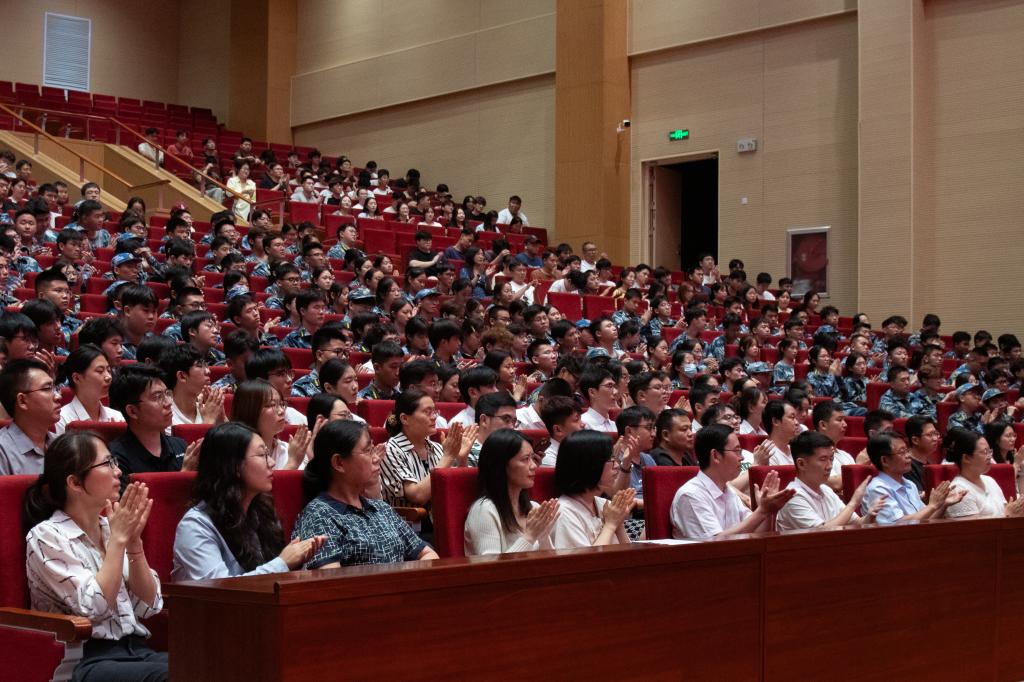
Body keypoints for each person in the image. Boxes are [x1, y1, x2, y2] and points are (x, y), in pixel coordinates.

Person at [24, 431, 168, 681]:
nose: (118, 471)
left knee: (212, 663)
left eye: (115, 462)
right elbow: (94, 607)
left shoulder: (111, 527)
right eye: (107, 463)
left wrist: (134, 545)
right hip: (84, 659)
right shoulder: (46, 537)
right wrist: (119, 541)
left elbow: (149, 605)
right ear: (75, 483)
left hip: (136, 649)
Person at [172, 422, 325, 581]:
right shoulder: (196, 525)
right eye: (262, 455)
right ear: (234, 465)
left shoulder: (260, 511)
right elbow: (217, 587)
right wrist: (283, 563)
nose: (272, 463)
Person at [292, 420, 440, 567]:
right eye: (368, 451)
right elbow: (329, 577)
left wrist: (405, 578)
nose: (376, 459)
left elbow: (427, 554)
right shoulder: (319, 515)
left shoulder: (381, 508)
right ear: (339, 463)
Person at [671, 424, 795, 539]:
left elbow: (756, 532)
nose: (742, 458)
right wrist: (762, 511)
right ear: (715, 456)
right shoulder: (691, 495)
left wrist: (768, 511)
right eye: (737, 451)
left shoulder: (728, 491)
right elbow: (713, 544)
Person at [379, 389, 475, 532]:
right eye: (427, 412)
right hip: (408, 530)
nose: (434, 417)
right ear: (405, 419)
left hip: (442, 523)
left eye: (434, 412)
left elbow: (457, 491)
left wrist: (462, 459)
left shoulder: (436, 448)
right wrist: (448, 457)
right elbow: (417, 496)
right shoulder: (390, 449)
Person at [464, 429, 559, 556]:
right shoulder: (484, 510)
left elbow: (551, 563)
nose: (534, 466)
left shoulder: (533, 508)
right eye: (525, 459)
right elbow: (490, 566)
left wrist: (543, 536)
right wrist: (529, 536)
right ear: (502, 465)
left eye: (532, 458)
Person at [775, 431, 883, 531]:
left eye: (831, 459)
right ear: (801, 464)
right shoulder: (793, 496)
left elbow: (857, 523)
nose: (830, 466)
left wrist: (870, 515)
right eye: (823, 459)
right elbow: (822, 533)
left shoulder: (826, 490)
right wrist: (853, 503)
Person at [108, 365, 198, 476]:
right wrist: (185, 474)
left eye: (167, 394)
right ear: (132, 411)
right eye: (158, 397)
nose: (169, 403)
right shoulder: (116, 457)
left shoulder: (180, 445)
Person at [861, 432, 966, 524]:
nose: (908, 456)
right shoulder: (878, 488)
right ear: (884, 460)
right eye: (902, 452)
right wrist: (932, 506)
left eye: (907, 450)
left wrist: (943, 504)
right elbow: (897, 526)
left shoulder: (910, 485)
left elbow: (925, 519)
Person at [231, 379, 313, 470]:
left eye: (281, 404)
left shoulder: (288, 450)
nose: (282, 411)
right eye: (272, 405)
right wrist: (292, 464)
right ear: (249, 411)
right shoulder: (236, 455)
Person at [944, 428, 1024, 519]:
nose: (990, 457)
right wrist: (1007, 514)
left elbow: (1005, 509)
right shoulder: (959, 490)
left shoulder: (989, 480)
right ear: (966, 458)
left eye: (990, 451)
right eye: (985, 452)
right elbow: (973, 527)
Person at [0, 358, 61, 475]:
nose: (58, 396)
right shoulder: (2, 451)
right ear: (22, 401)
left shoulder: (61, 444)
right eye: (47, 388)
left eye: (55, 388)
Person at [55, 344, 124, 435]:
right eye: (100, 371)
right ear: (77, 378)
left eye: (108, 370)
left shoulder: (117, 417)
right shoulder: (62, 420)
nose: (108, 377)